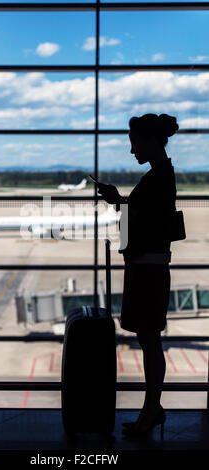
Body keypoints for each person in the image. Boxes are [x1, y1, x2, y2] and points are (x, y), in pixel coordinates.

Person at [97, 113, 178, 438]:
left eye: (135, 143)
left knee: (149, 340)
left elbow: (147, 221)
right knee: (148, 339)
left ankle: (151, 409)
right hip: (147, 265)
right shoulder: (160, 175)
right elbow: (149, 216)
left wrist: (122, 205)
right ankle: (151, 409)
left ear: (150, 141)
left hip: (147, 268)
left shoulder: (158, 177)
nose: (132, 151)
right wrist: (121, 202)